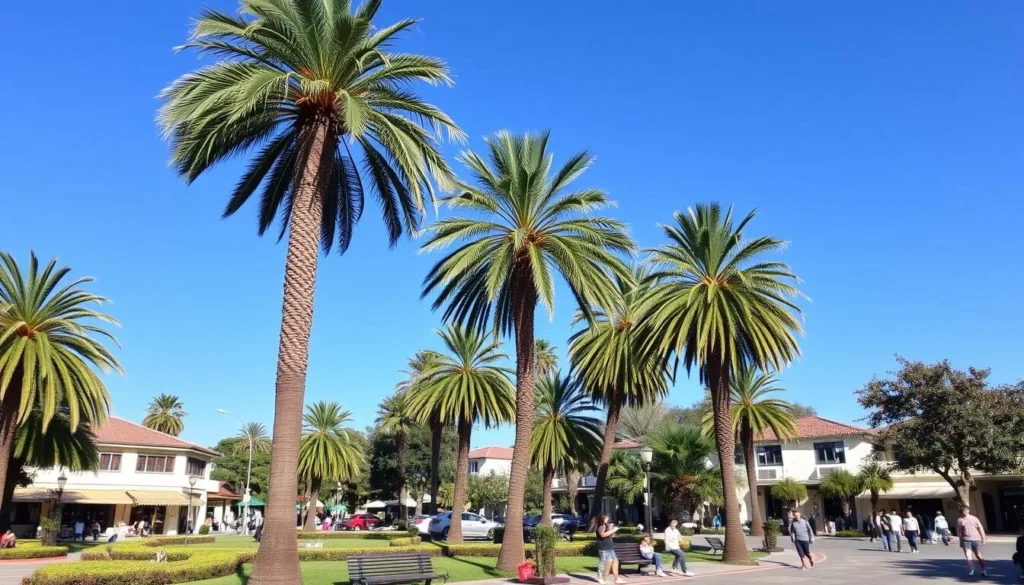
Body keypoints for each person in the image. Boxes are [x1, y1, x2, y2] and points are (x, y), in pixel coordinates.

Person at [595, 514, 626, 585]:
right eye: (606, 518)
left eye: (607, 518)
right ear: (602, 519)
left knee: (615, 562)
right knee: (602, 563)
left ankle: (617, 579)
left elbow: (610, 535)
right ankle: (600, 578)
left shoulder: (606, 526)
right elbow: (602, 535)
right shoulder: (601, 527)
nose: (607, 519)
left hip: (610, 548)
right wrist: (612, 530)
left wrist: (613, 531)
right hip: (604, 549)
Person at [957, 506, 987, 576]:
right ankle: (972, 570)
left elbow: (980, 528)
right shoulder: (960, 520)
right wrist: (960, 541)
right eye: (963, 511)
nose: (965, 512)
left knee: (978, 555)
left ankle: (983, 569)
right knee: (968, 555)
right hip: (966, 540)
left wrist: (983, 539)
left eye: (966, 510)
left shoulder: (974, 519)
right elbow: (959, 531)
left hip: (976, 539)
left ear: (968, 511)